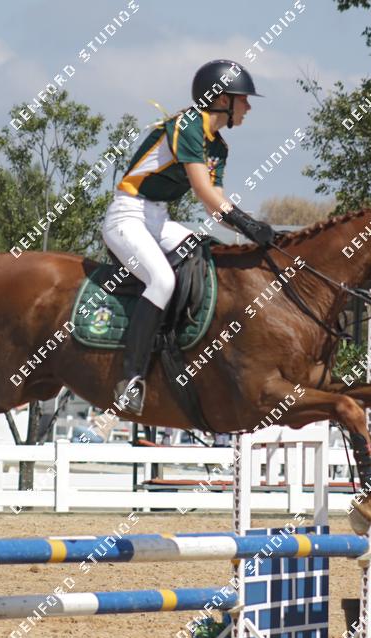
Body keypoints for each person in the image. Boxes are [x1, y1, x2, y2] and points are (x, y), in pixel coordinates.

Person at [103, 59, 275, 415]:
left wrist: (256, 230)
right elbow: (203, 191)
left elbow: (217, 208)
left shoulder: (219, 148)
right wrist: (247, 224)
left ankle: (182, 347)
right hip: (127, 216)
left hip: (158, 219)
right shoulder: (188, 124)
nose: (248, 106)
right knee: (162, 280)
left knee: (209, 258)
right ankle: (130, 379)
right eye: (243, 98)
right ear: (223, 99)